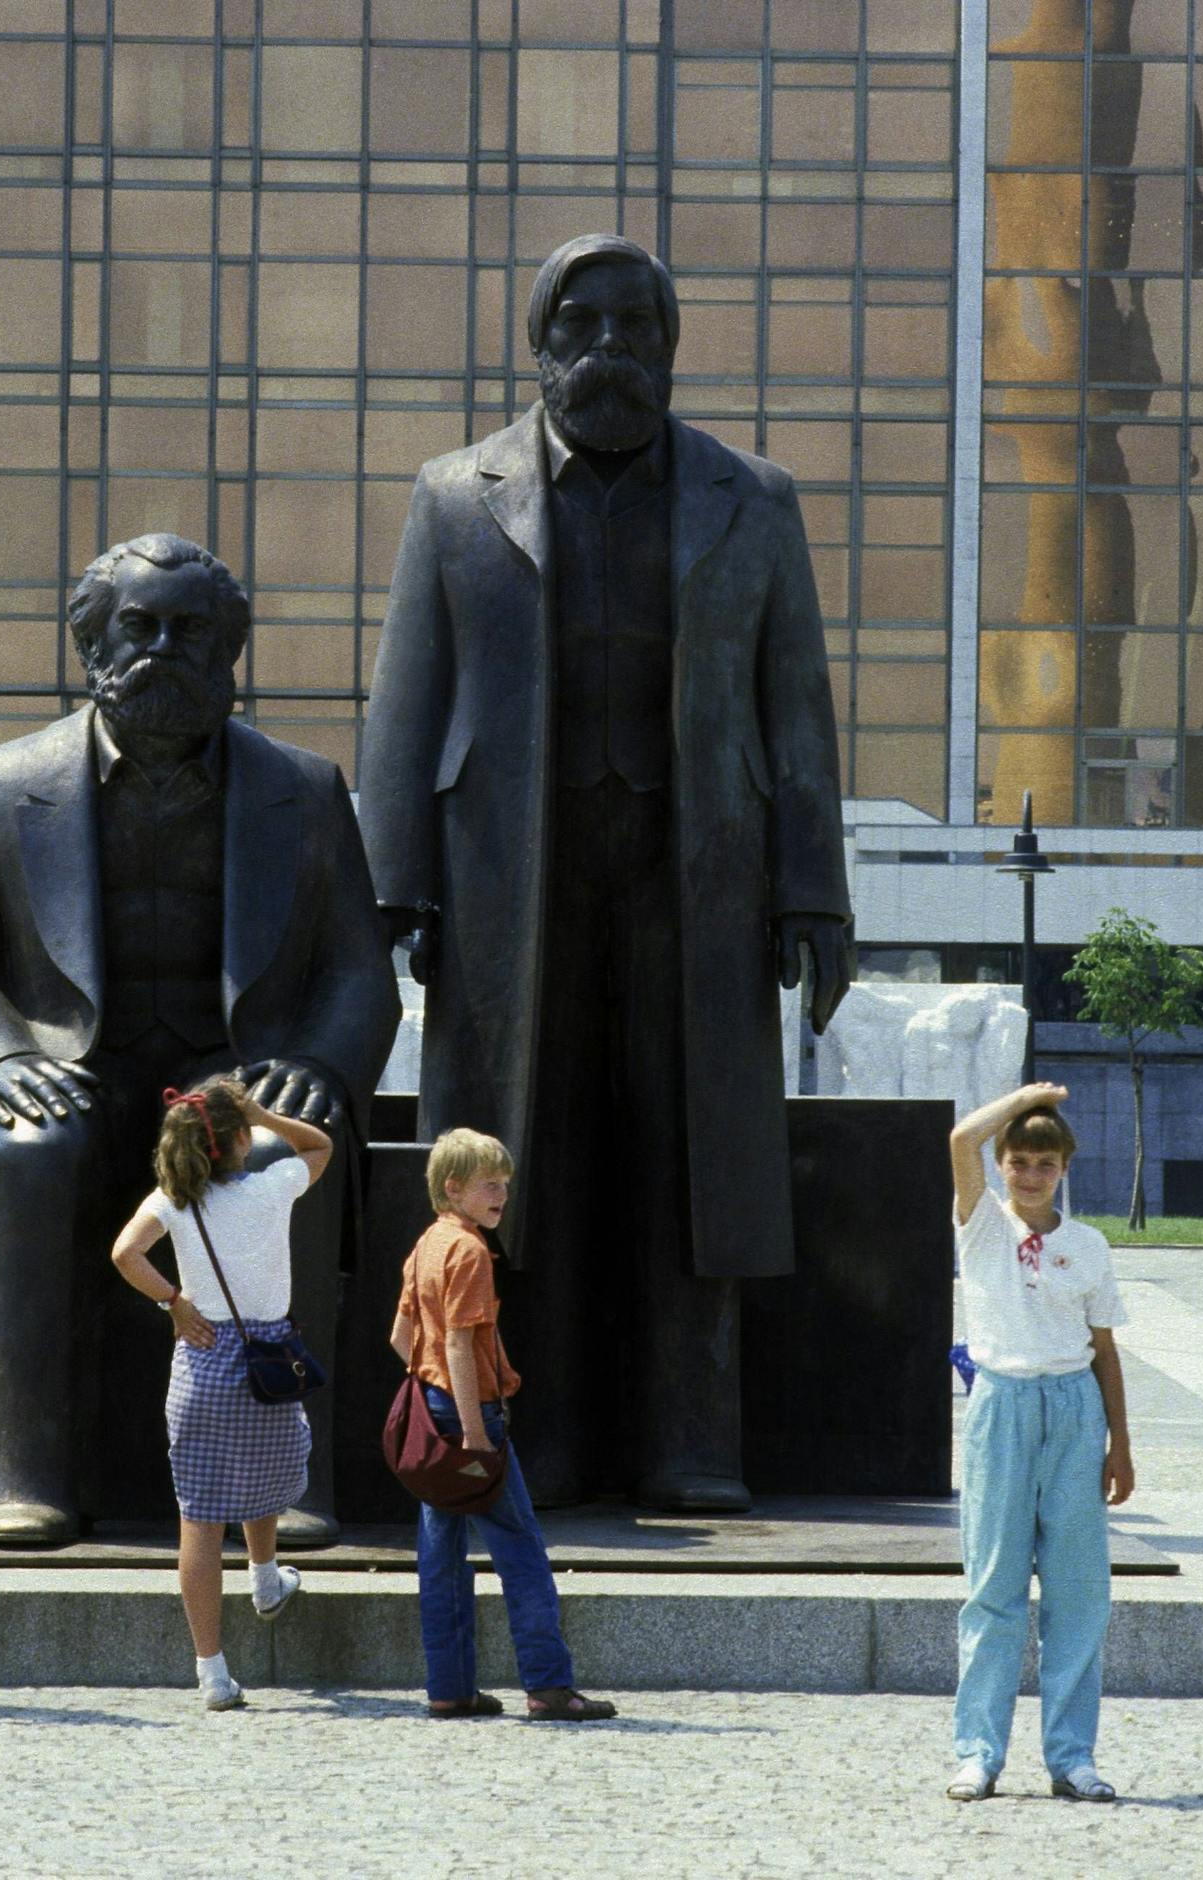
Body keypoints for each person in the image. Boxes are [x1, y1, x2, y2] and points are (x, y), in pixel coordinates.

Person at [360, 233, 852, 1511]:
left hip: (700, 871)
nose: (610, 349)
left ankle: (695, 1439)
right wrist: (391, 885)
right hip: (506, 884)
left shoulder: (754, 497)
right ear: (539, 345)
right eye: (581, 325)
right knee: (529, 1158)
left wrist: (813, 890)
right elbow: (407, 705)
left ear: (670, 348)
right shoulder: (454, 494)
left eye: (637, 326)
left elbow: (795, 709)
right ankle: (550, 1430)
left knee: (688, 1151)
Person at [0, 532, 399, 1547]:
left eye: (193, 631)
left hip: (230, 1068)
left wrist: (312, 1067)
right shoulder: (3, 783)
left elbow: (358, 968)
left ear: (230, 653)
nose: (164, 649)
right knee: (30, 1148)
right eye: (139, 625)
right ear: (91, 643)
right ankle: (21, 1469)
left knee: (273, 1154)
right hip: (72, 1062)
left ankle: (286, 1476)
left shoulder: (303, 789)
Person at [111, 1076, 333, 1710]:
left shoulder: (172, 1199)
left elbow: (125, 1253)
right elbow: (319, 1147)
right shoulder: (272, 1188)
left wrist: (174, 1302)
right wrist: (268, 1114)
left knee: (200, 1520)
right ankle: (264, 1577)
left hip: (204, 1360)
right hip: (268, 1359)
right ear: (242, 1140)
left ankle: (212, 1672)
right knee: (264, 1470)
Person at [389, 1128, 617, 1721]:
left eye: (506, 1185)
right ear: (453, 1187)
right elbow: (462, 1347)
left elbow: (400, 1338)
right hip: (469, 1417)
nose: (502, 1195)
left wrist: (435, 1385)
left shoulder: (427, 1244)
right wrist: (475, 1433)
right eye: (490, 1184)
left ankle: (450, 1688)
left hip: (432, 1413)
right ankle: (548, 1686)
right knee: (522, 1549)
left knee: (439, 1555)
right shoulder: (468, 1251)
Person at [945, 1083, 1133, 1804]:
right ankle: (978, 1752)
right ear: (1002, 1166)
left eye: (1044, 1163)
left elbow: (1105, 1351)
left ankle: (1071, 1756)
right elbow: (961, 1140)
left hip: (1074, 1408)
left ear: (1063, 1169)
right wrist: (1024, 1096)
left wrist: (1120, 1444)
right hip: (1004, 1403)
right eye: (1018, 1160)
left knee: (1078, 1592)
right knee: (993, 1587)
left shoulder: (1086, 1246)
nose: (1029, 1174)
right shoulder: (982, 1226)